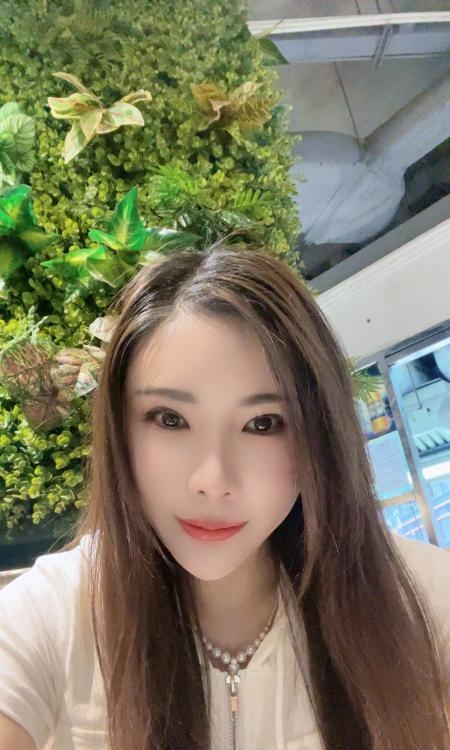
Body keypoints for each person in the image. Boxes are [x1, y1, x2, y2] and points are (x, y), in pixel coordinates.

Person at [0, 240, 449, 750]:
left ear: (319, 436)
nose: (212, 480)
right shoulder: (54, 615)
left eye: (263, 423)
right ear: (120, 429)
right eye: (170, 419)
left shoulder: (417, 600)